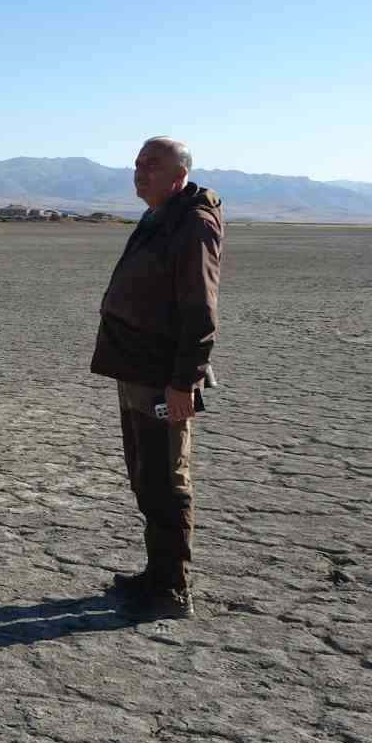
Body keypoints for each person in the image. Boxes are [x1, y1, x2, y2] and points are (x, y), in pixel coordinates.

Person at [90, 137, 224, 620]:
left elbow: (199, 310)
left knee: (166, 479)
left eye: (152, 164)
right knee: (147, 475)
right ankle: (156, 571)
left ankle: (171, 589)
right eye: (137, 164)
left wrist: (183, 383)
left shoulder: (192, 224)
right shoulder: (161, 215)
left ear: (180, 172)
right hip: (136, 369)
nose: (140, 172)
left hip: (163, 378)